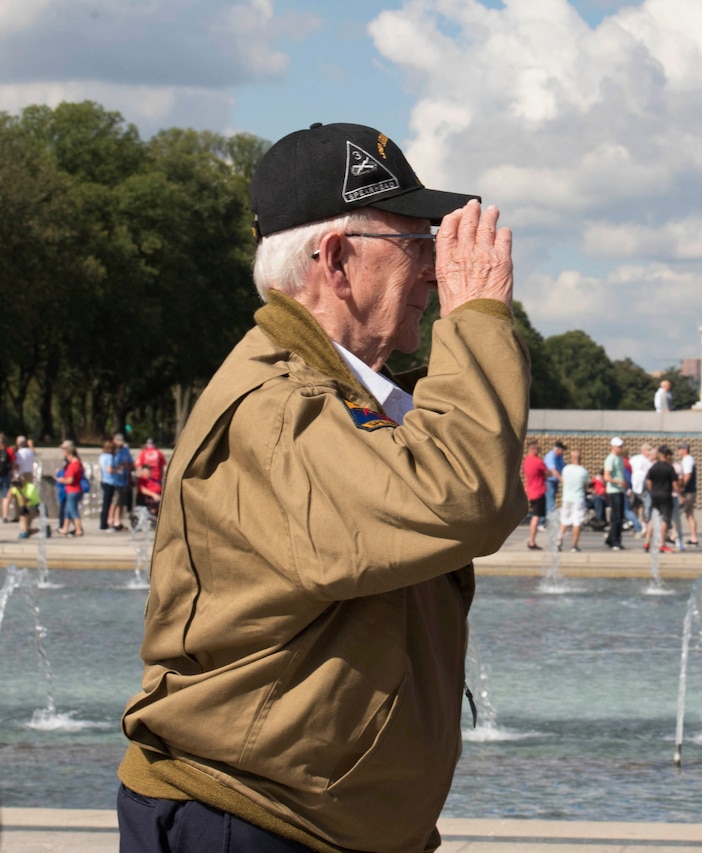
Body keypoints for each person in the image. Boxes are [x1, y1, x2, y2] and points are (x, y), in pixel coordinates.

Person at [116, 121, 529, 853]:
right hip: (251, 821)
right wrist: (477, 319)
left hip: (304, 821)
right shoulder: (279, 408)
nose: (437, 272)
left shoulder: (340, 399)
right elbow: (463, 496)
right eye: (418, 245)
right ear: (336, 261)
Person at [643, 445, 680, 553]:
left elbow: (648, 481)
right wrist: (680, 495)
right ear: (665, 455)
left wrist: (652, 491)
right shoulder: (669, 468)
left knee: (652, 519)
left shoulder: (653, 467)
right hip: (666, 496)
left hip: (654, 495)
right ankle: (662, 544)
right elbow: (675, 484)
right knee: (665, 520)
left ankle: (646, 542)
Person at [557, 449, 590, 552]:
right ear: (580, 459)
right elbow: (585, 487)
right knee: (577, 522)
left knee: (564, 520)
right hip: (578, 498)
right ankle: (574, 545)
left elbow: (563, 481)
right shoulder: (583, 471)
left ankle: (559, 540)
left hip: (566, 498)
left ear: (572, 458)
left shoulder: (565, 469)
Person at [523, 439, 550, 549]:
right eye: (538, 449)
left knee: (535, 516)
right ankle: (532, 541)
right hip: (538, 491)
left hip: (530, 491)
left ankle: (532, 540)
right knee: (536, 517)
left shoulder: (526, 461)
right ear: (533, 449)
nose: (539, 451)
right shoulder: (538, 462)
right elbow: (548, 474)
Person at [55, 441, 85, 536]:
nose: (66, 458)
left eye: (67, 456)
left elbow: (70, 480)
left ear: (71, 455)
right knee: (67, 511)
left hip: (73, 490)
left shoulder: (73, 466)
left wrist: (61, 480)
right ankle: (65, 528)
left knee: (72, 510)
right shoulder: (78, 463)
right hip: (76, 490)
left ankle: (78, 529)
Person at [603, 436, 628, 550]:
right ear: (613, 447)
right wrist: (619, 482)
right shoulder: (611, 459)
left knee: (619, 516)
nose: (621, 448)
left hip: (620, 490)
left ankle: (611, 538)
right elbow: (607, 476)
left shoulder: (620, 458)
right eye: (619, 446)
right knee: (617, 517)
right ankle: (615, 541)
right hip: (614, 490)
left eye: (621, 446)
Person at [628, 442, 655, 541]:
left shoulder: (650, 461)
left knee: (645, 507)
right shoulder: (635, 459)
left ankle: (645, 526)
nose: (649, 452)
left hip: (645, 487)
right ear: (643, 450)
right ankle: (637, 525)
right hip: (635, 486)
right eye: (648, 449)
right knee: (635, 506)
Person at [676, 441, 699, 547]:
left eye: (680, 448)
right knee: (689, 514)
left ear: (685, 450)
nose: (678, 450)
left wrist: (682, 488)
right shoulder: (688, 460)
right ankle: (694, 538)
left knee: (677, 513)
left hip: (688, 491)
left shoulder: (687, 460)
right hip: (691, 490)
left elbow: (687, 475)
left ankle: (673, 536)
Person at [110, 433, 134, 529]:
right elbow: (111, 465)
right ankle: (110, 519)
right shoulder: (112, 451)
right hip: (115, 480)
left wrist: (127, 465)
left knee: (121, 502)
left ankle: (117, 520)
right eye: (118, 442)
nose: (120, 444)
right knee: (115, 501)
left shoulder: (125, 450)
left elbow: (130, 462)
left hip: (124, 479)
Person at [8, 473, 41, 539]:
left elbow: (25, 501)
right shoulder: (16, 487)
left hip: (34, 507)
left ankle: (25, 531)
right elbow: (8, 497)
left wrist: (20, 491)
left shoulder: (30, 486)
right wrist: (11, 487)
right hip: (25, 508)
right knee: (24, 531)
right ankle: (43, 530)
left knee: (22, 509)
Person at [97, 439, 120, 531]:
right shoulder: (110, 457)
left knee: (105, 503)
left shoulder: (102, 456)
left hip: (103, 480)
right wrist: (118, 469)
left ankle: (103, 522)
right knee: (107, 503)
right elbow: (109, 469)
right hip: (110, 481)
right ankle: (104, 524)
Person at [542, 439, 565, 524]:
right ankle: (550, 522)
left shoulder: (559, 457)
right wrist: (562, 480)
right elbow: (553, 470)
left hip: (555, 482)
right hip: (549, 482)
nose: (563, 452)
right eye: (562, 450)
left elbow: (562, 467)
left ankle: (546, 521)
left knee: (551, 500)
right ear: (558, 449)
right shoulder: (550, 456)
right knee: (550, 502)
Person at [0, 433, 13, 523]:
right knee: (5, 496)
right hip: (5, 475)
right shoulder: (9, 450)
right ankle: (4, 517)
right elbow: (13, 464)